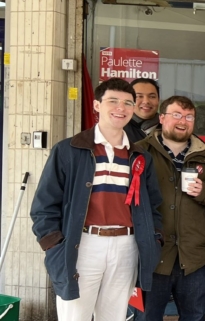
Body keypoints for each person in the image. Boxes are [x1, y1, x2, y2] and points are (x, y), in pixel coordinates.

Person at [31, 78, 163, 321]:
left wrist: (154, 240)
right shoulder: (69, 150)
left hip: (126, 247)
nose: (120, 108)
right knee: (74, 317)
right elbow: (44, 206)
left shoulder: (140, 156)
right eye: (113, 101)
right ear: (96, 105)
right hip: (82, 245)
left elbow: (153, 206)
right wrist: (54, 246)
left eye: (127, 103)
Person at [135, 96, 205, 320]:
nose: (183, 121)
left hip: (195, 256)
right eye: (176, 115)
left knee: (195, 316)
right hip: (154, 255)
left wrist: (204, 190)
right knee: (147, 317)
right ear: (162, 118)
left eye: (189, 117)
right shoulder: (140, 151)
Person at [124, 78, 161, 143]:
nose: (146, 101)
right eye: (139, 96)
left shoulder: (168, 127)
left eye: (152, 97)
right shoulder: (119, 128)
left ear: (158, 99)